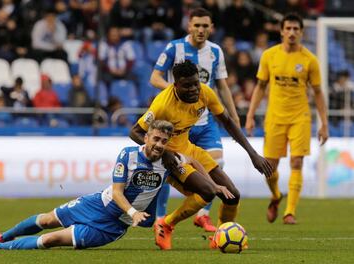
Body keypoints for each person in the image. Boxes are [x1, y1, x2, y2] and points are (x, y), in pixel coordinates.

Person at [0, 120, 233, 250]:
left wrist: (213, 184)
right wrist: (134, 212)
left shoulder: (169, 159)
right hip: (99, 203)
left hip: (113, 225)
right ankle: (2, 236)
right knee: (47, 219)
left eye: (164, 140)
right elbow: (118, 191)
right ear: (147, 136)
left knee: (51, 239)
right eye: (156, 138)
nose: (159, 144)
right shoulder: (128, 155)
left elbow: (195, 162)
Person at [130, 60, 273, 250]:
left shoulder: (205, 92)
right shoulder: (162, 104)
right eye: (187, 85)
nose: (193, 89)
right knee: (208, 191)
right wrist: (165, 154)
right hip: (171, 158)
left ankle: (220, 237)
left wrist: (253, 154)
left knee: (232, 196)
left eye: (195, 83)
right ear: (175, 85)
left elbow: (227, 121)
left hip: (190, 150)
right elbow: (135, 132)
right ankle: (166, 223)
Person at [149, 7, 240, 232]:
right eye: (196, 25)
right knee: (167, 169)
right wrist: (174, 90)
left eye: (205, 26)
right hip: (176, 124)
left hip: (204, 121)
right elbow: (154, 77)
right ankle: (161, 218)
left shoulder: (216, 51)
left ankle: (203, 215)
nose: (200, 29)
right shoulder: (174, 47)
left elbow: (222, 86)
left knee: (216, 164)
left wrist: (234, 115)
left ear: (212, 28)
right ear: (189, 26)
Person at [245, 13, 329, 225]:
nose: (292, 33)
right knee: (270, 167)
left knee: (297, 162)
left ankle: (289, 212)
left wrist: (324, 123)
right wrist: (250, 115)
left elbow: (318, 92)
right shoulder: (269, 56)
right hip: (274, 117)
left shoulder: (309, 60)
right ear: (281, 31)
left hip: (300, 116)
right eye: (288, 29)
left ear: (301, 32)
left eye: (296, 29)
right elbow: (260, 87)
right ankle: (275, 197)